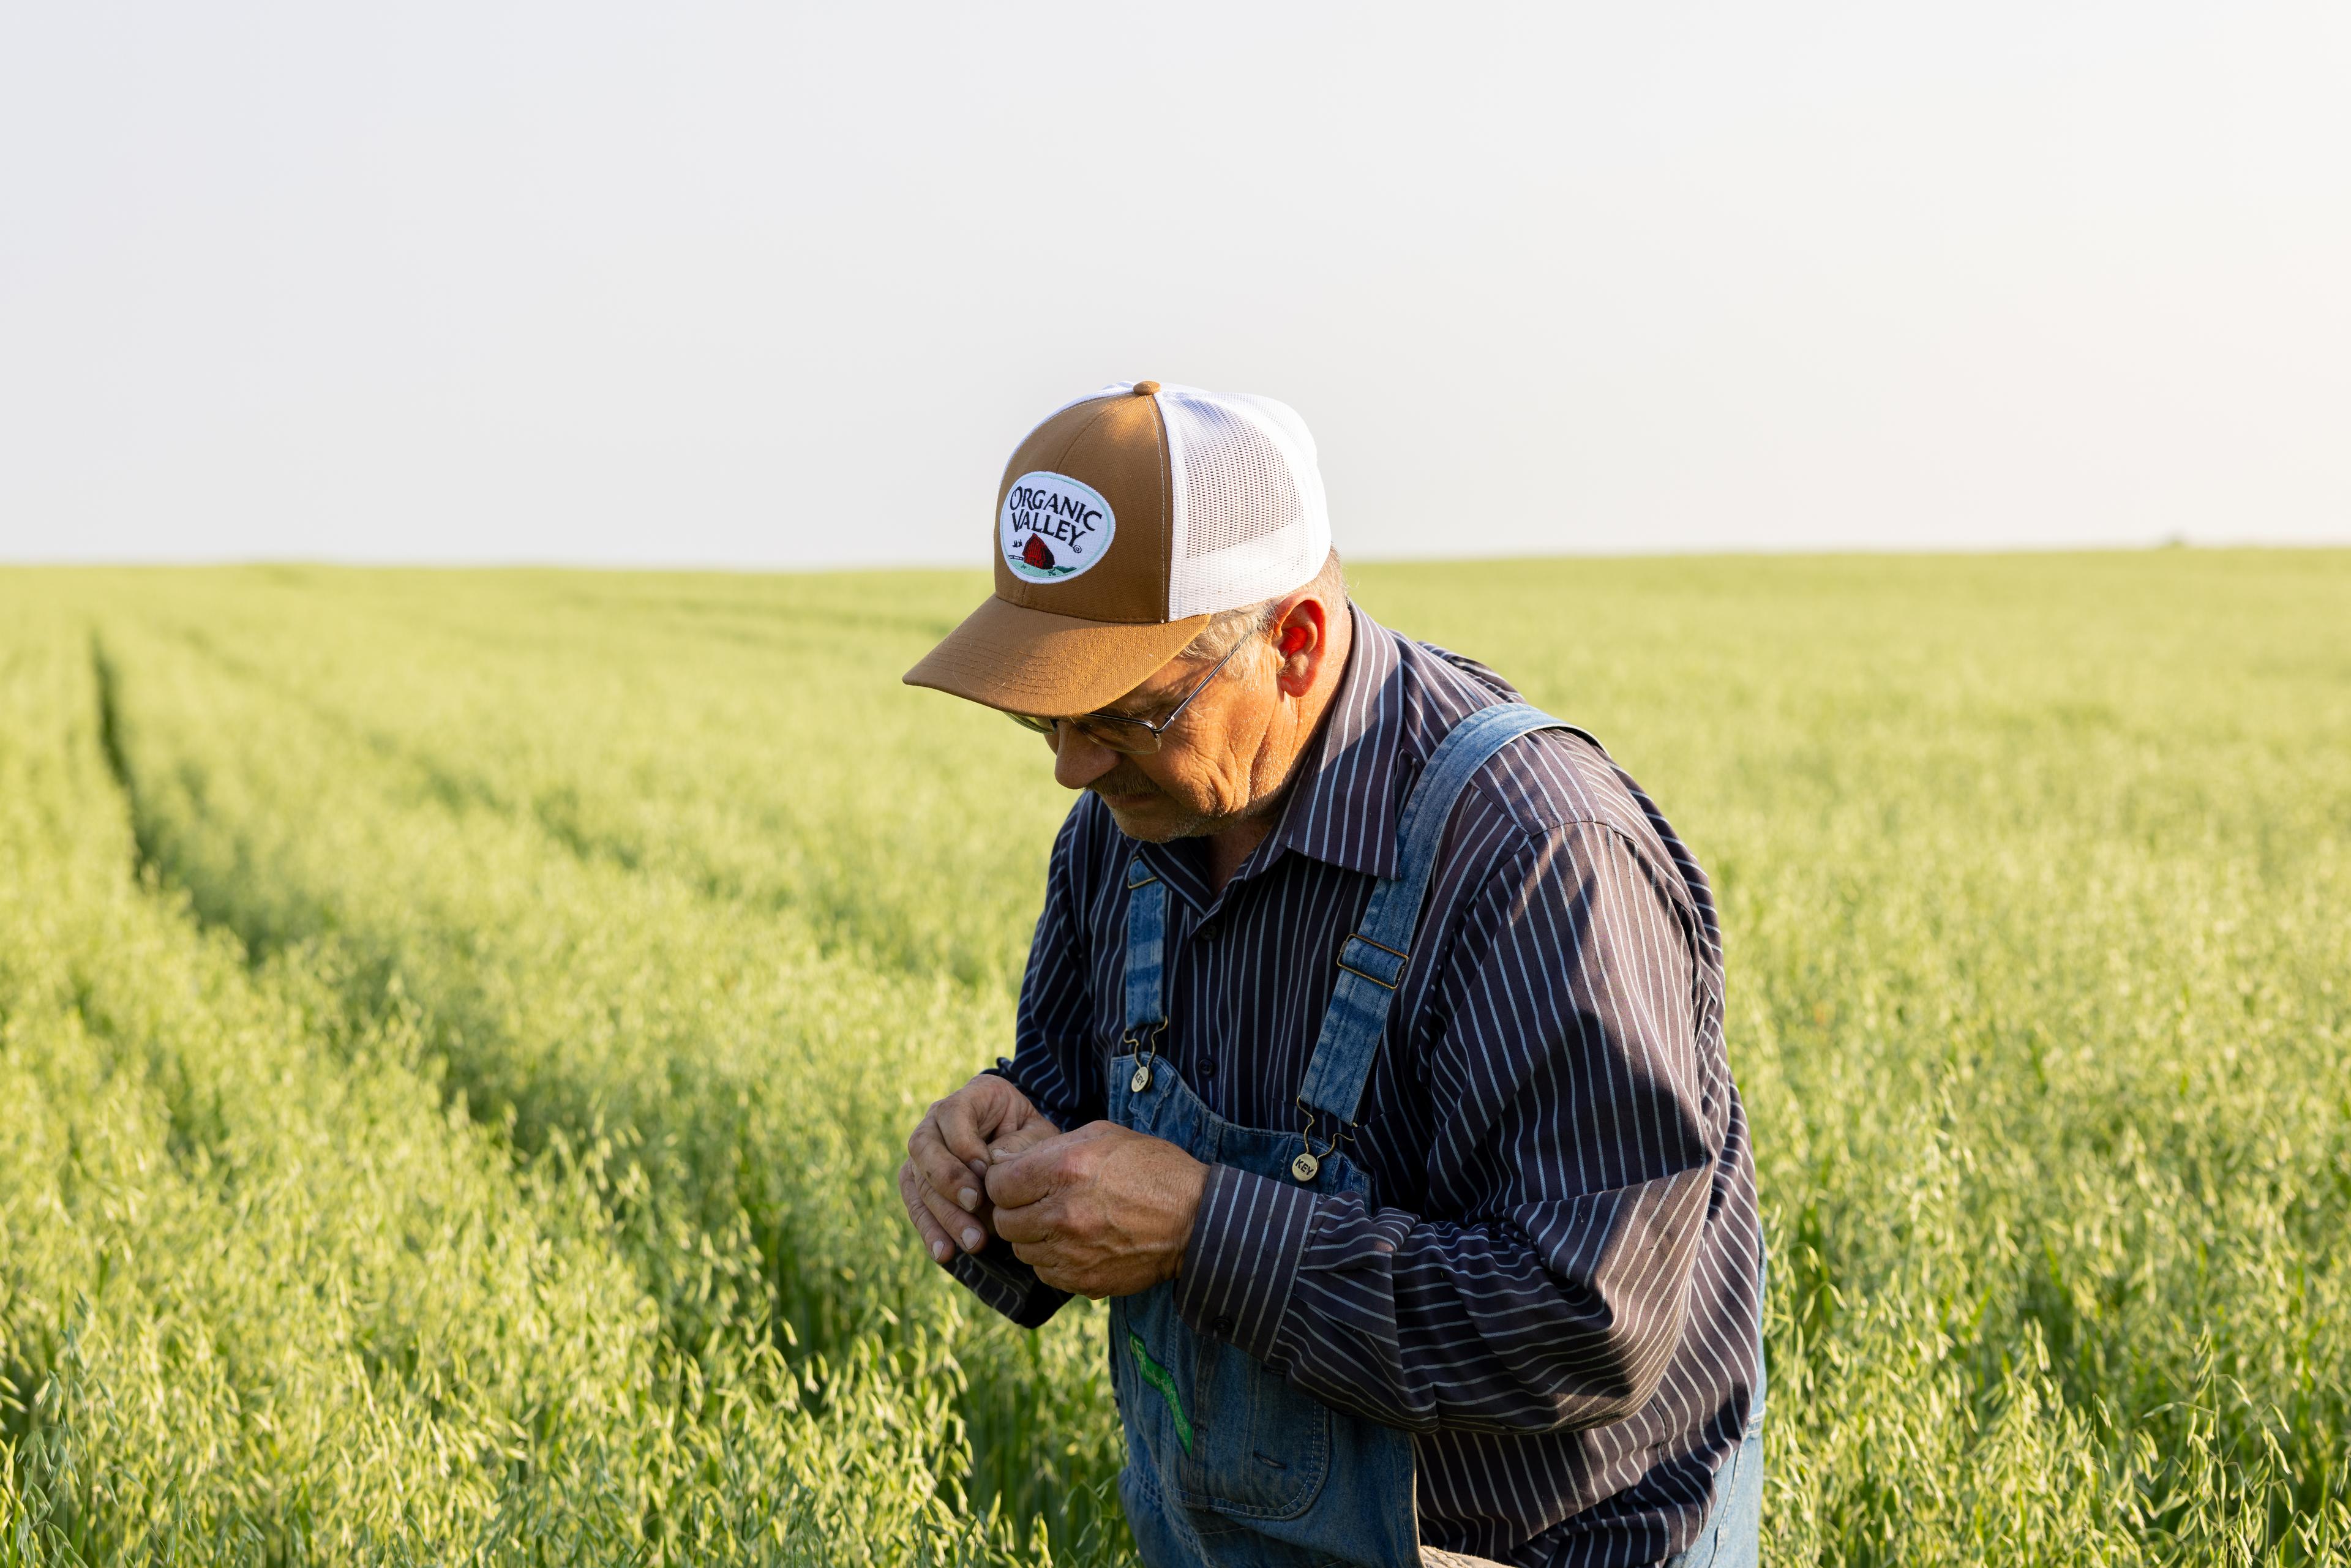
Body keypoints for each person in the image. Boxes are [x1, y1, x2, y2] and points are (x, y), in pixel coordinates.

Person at [898, 381, 1764, 1568]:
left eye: (1124, 714)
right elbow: (1076, 1105)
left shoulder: (1537, 858)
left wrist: (1206, 1230)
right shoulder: (1123, 828)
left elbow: (1590, 1322)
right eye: (1042, 719)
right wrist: (995, 1167)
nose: (1072, 767)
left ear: (1295, 643)